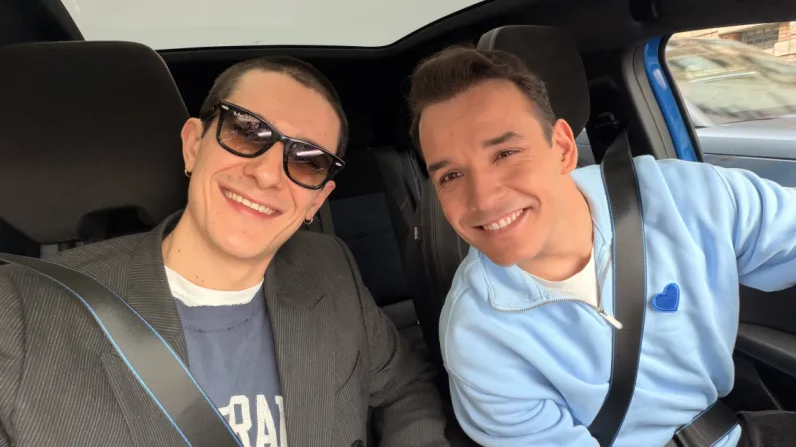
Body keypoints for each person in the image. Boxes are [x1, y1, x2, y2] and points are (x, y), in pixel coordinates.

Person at [0, 56, 449, 447]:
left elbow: (406, 387)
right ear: (193, 145)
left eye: (307, 159)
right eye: (248, 131)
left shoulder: (328, 268)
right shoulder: (20, 307)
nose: (268, 174)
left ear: (317, 200)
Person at [408, 46, 796, 446]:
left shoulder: (687, 196)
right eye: (451, 176)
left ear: (562, 148)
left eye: (505, 153)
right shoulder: (477, 336)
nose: (484, 198)